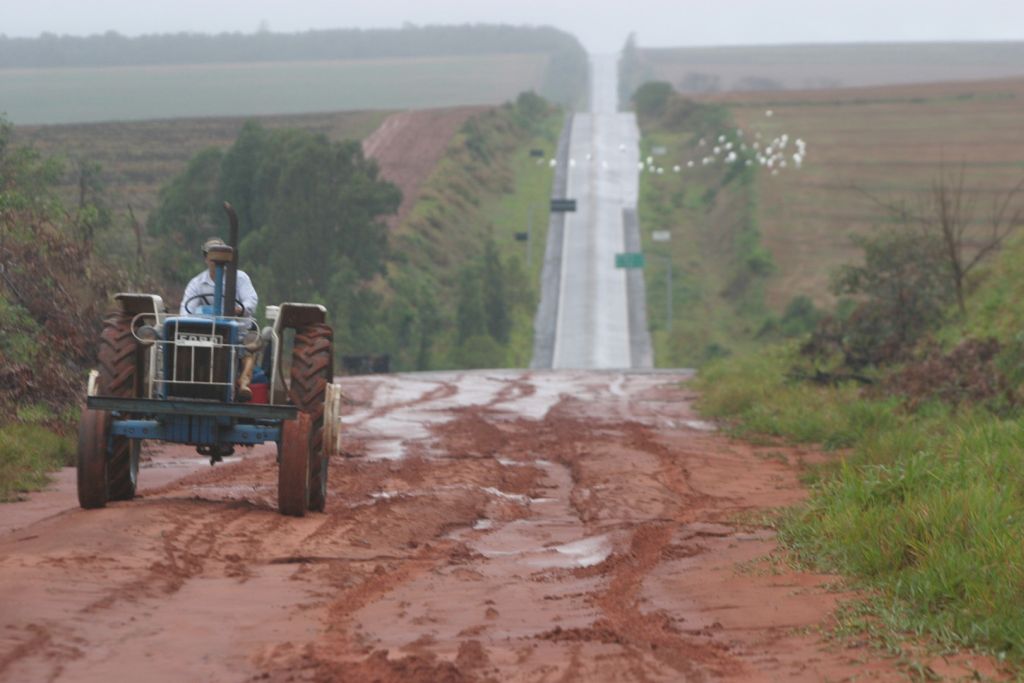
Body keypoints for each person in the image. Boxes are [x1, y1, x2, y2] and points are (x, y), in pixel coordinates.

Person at [181, 237, 260, 400]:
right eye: (212, 257)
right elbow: (185, 310)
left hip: (238, 334)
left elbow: (251, 300)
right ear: (205, 258)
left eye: (221, 257)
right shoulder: (197, 283)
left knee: (250, 345)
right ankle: (187, 384)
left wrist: (240, 309)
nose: (216, 261)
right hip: (206, 336)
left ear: (228, 259)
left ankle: (243, 382)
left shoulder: (240, 278)